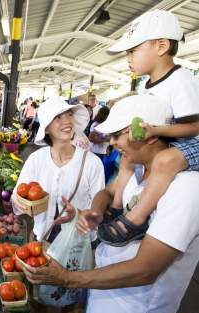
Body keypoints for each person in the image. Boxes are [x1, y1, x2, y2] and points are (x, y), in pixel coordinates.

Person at [24, 94, 199, 313]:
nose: (112, 143)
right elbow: (107, 192)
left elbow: (144, 270)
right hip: (103, 296)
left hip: (137, 307)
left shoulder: (185, 189)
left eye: (117, 135)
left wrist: (68, 278)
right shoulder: (138, 169)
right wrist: (94, 212)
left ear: (151, 136)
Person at [99, 9, 199, 245]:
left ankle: (137, 218)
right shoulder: (145, 86)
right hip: (168, 143)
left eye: (133, 51)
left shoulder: (182, 79)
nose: (128, 58)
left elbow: (195, 126)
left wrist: (156, 130)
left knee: (165, 161)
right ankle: (116, 206)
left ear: (162, 46)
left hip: (192, 144)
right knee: (127, 158)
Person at [12, 96, 105, 244]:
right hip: (43, 241)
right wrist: (20, 202)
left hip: (78, 245)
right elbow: (17, 196)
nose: (67, 121)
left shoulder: (92, 163)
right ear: (46, 128)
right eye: (57, 117)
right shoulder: (36, 160)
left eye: (69, 115)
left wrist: (77, 214)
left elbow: (98, 213)